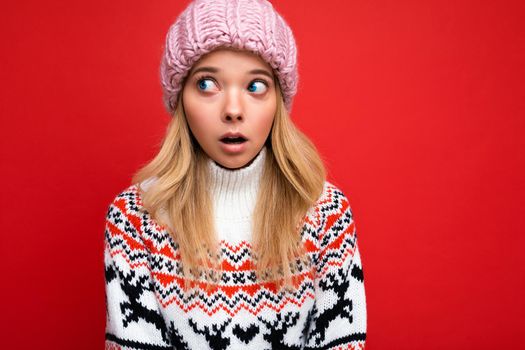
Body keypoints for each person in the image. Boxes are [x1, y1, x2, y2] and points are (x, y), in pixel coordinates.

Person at [103, 0, 367, 349]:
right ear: (180, 97)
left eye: (255, 86)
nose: (232, 110)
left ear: (278, 101)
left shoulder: (325, 213)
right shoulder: (135, 219)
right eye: (207, 84)